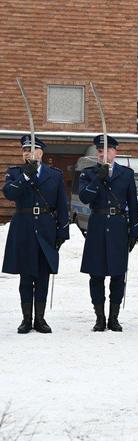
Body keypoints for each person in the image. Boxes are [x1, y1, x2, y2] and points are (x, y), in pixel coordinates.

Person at [2, 135, 69, 333]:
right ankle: (26, 319)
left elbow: (62, 206)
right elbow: (9, 194)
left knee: (42, 275)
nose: (27, 154)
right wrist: (25, 177)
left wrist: (62, 232)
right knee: (26, 275)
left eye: (31, 150)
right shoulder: (15, 173)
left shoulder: (54, 175)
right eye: (24, 150)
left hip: (46, 227)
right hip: (23, 227)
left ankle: (40, 318)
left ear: (41, 153)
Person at [79, 135, 138, 332]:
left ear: (115, 152)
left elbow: (133, 203)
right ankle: (100, 317)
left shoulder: (126, 174)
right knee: (96, 275)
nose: (102, 153)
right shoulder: (88, 173)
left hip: (118, 226)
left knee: (117, 275)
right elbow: (85, 197)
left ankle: (114, 318)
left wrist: (134, 230)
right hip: (97, 225)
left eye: (106, 150)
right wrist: (99, 178)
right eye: (99, 150)